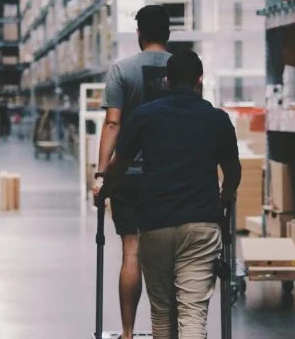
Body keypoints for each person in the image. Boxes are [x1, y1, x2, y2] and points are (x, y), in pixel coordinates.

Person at [99, 50, 242, 339]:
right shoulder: (217, 119)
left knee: (163, 313)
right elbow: (233, 171)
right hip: (201, 223)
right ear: (200, 80)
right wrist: (225, 196)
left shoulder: (144, 116)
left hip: (155, 223)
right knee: (192, 314)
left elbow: (119, 165)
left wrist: (104, 188)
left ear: (167, 80)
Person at [93, 5, 173, 339]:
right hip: (169, 175)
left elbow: (113, 122)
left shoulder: (122, 70)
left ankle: (127, 333)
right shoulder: (181, 68)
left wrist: (101, 176)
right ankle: (166, 331)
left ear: (139, 32)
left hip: (128, 174)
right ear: (168, 33)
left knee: (132, 251)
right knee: (168, 255)